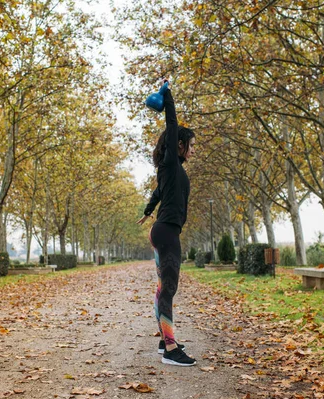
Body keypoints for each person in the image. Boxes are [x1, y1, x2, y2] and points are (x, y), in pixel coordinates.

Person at [136, 80, 196, 366]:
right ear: (179, 145)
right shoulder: (171, 162)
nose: (192, 150)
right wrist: (168, 94)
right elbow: (172, 126)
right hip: (166, 232)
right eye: (190, 145)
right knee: (168, 289)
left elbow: (159, 192)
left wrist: (148, 211)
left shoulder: (170, 170)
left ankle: (164, 340)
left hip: (163, 230)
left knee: (164, 288)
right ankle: (171, 350)